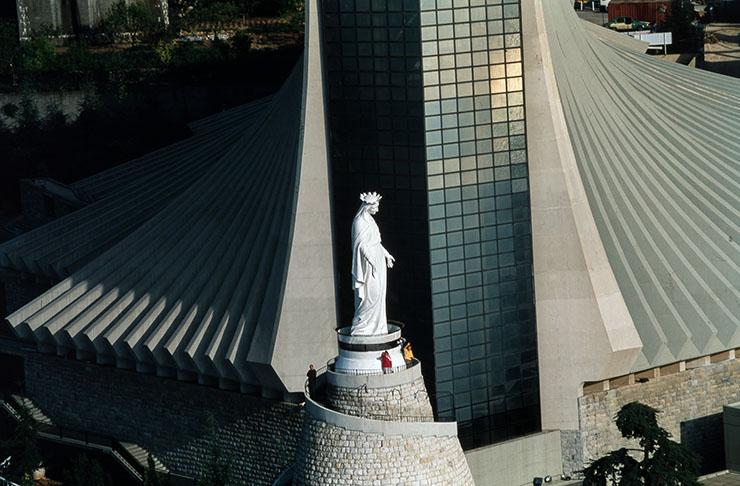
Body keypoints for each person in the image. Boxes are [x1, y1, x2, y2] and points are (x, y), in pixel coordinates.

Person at [351, 192, 395, 336]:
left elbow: (376, 243)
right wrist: (372, 262)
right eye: (375, 206)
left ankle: (378, 326)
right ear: (367, 206)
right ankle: (362, 326)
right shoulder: (359, 222)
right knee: (371, 295)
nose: (377, 209)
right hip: (368, 265)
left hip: (378, 261)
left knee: (380, 295)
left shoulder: (370, 220)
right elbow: (361, 246)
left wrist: (386, 255)